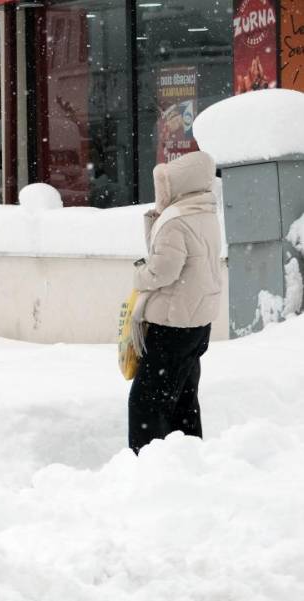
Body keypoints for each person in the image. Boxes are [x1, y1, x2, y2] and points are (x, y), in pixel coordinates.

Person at [128, 151, 222, 453]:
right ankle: (189, 456)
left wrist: (140, 276)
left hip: (172, 324)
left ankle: (147, 461)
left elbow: (163, 271)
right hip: (197, 323)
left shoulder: (176, 221)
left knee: (146, 403)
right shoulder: (204, 213)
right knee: (183, 399)